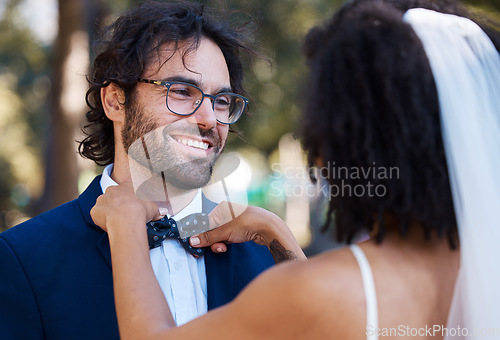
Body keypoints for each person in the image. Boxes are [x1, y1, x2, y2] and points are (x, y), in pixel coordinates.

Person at [91, 0, 500, 339]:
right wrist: (274, 230)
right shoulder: (482, 275)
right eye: (181, 92)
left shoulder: (315, 291)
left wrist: (126, 223)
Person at [0, 2, 277, 339]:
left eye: (220, 100)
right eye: (181, 92)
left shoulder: (266, 254)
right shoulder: (24, 259)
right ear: (116, 101)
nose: (209, 119)